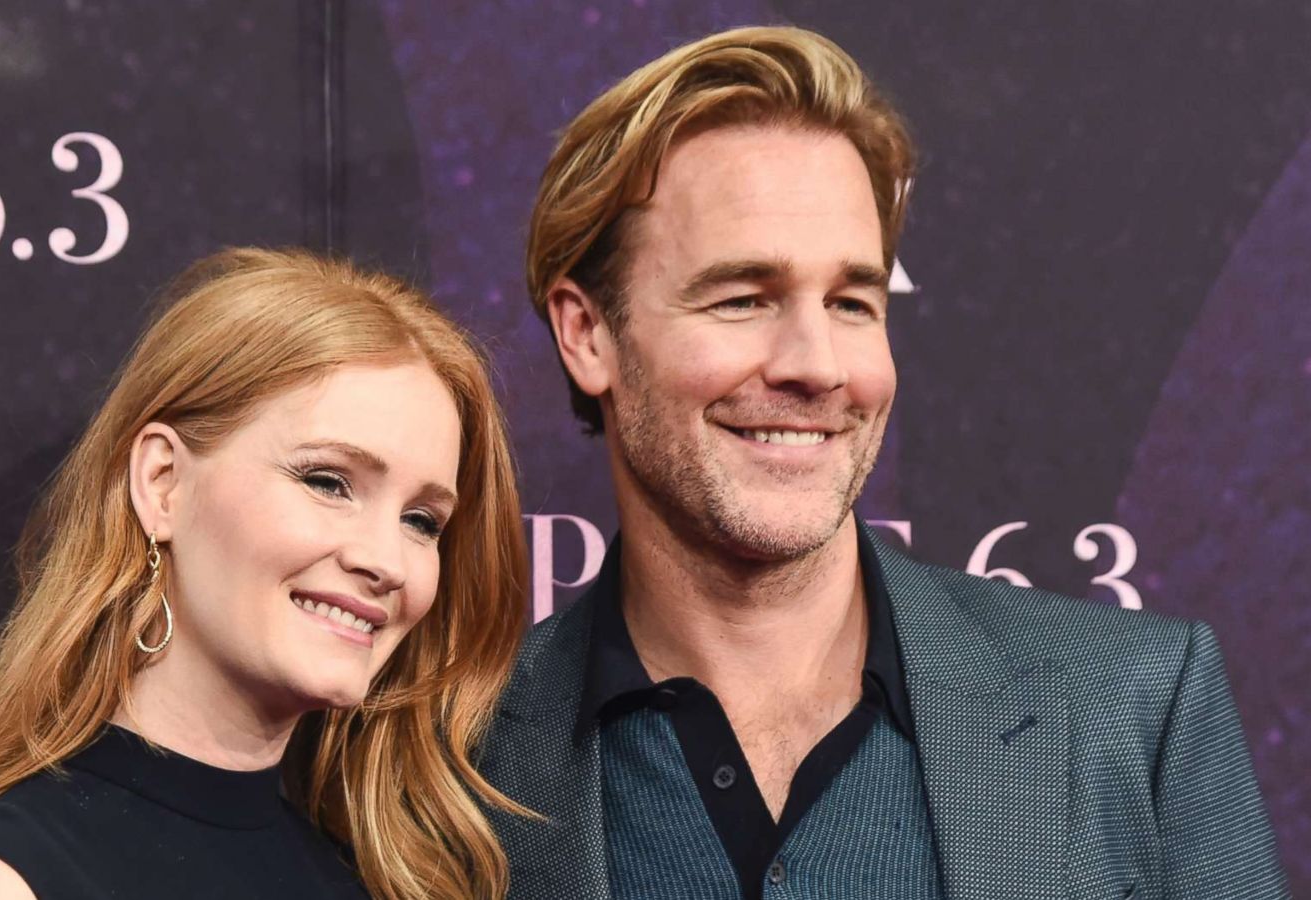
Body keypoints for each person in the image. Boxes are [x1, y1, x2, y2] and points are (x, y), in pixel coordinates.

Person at [479, 25, 1289, 900]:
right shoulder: (450, 764)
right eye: (744, 297)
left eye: (853, 302)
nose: (819, 365)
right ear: (586, 333)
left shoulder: (1135, 711)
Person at [0, 247, 528, 900]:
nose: (386, 561)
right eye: (328, 481)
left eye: (422, 521)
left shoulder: (386, 883)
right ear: (163, 483)